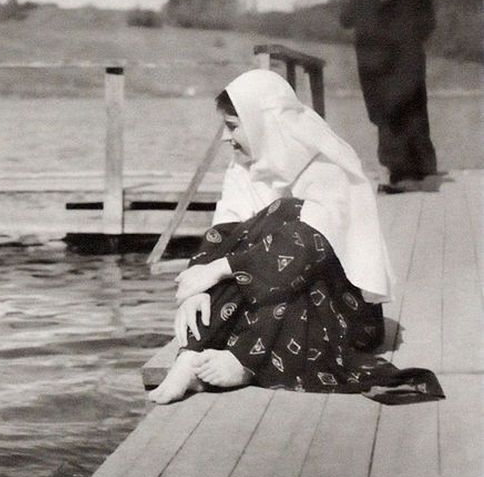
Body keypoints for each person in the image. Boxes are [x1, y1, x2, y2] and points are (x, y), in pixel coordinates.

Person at [148, 69, 443, 405]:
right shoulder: (245, 166)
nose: (225, 139)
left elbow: (310, 248)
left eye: (232, 126)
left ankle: (244, 361)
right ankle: (193, 357)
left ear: (263, 122)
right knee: (241, 243)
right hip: (270, 297)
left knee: (286, 214)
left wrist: (216, 270)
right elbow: (224, 231)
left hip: (341, 309)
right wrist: (195, 286)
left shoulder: (327, 166)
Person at [339, 0, 437, 191]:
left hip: (373, 61)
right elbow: (429, 24)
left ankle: (397, 172)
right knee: (412, 109)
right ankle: (419, 170)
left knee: (385, 114)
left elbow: (346, 18)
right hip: (408, 59)